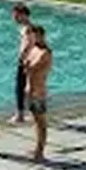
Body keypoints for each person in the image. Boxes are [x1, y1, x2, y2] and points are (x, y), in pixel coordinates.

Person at [25, 25, 55, 162]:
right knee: (35, 120)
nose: (34, 38)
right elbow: (27, 66)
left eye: (36, 36)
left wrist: (26, 64)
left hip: (38, 91)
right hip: (30, 89)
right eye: (32, 36)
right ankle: (37, 147)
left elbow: (31, 67)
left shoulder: (45, 53)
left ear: (42, 36)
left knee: (41, 121)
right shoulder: (33, 49)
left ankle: (40, 151)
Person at [10, 2, 34, 124]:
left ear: (22, 15)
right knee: (27, 86)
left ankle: (20, 114)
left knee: (20, 87)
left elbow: (28, 43)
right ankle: (30, 111)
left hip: (26, 60)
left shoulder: (27, 28)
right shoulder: (28, 27)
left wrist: (22, 56)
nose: (14, 18)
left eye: (15, 15)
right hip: (29, 60)